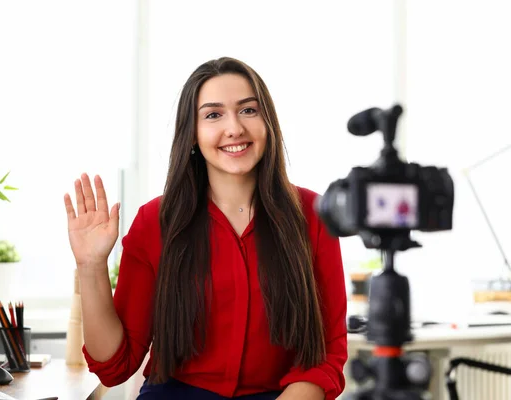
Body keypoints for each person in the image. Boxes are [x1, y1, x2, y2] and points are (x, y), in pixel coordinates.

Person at [63, 57, 347, 400]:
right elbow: (116, 366)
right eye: (213, 115)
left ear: (268, 122)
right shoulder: (155, 221)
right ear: (193, 134)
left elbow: (326, 357)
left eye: (248, 110)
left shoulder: (315, 217)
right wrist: (91, 267)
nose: (234, 128)